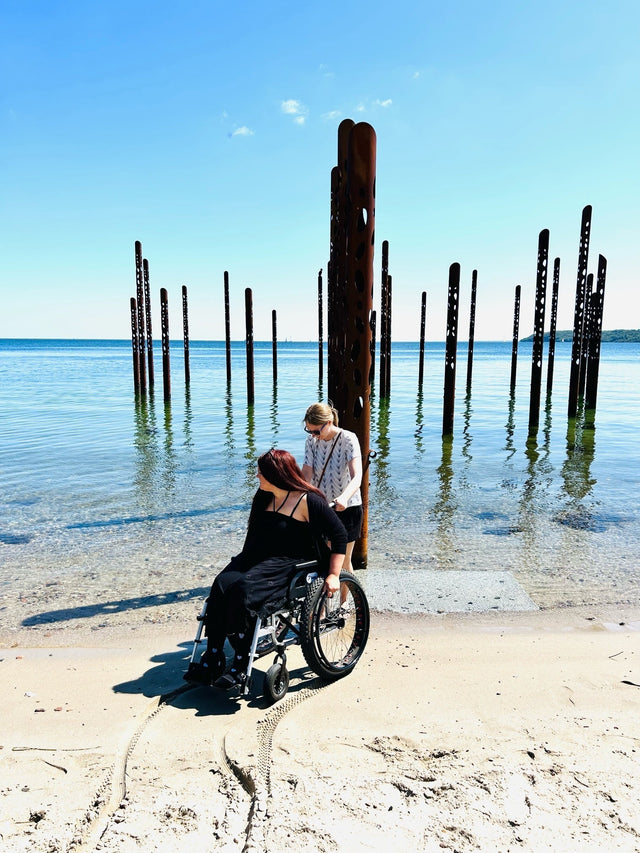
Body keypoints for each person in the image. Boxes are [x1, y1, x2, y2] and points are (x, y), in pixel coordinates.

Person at [186, 448, 347, 688]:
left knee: (244, 590)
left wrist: (334, 574)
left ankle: (240, 666)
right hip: (258, 557)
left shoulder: (308, 500)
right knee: (221, 584)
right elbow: (253, 537)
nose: (257, 476)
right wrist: (239, 565)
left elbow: (339, 535)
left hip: (292, 562)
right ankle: (214, 655)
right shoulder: (263, 497)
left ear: (276, 474)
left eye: (260, 472)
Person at [301, 402, 363, 574]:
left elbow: (357, 476)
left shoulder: (348, 439)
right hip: (322, 507)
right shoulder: (311, 441)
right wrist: (296, 492)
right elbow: (307, 472)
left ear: (329, 422)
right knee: (324, 559)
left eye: (316, 431)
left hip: (347, 507)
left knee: (342, 560)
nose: (313, 435)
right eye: (309, 430)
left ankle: (344, 601)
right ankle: (325, 600)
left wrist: (344, 497)